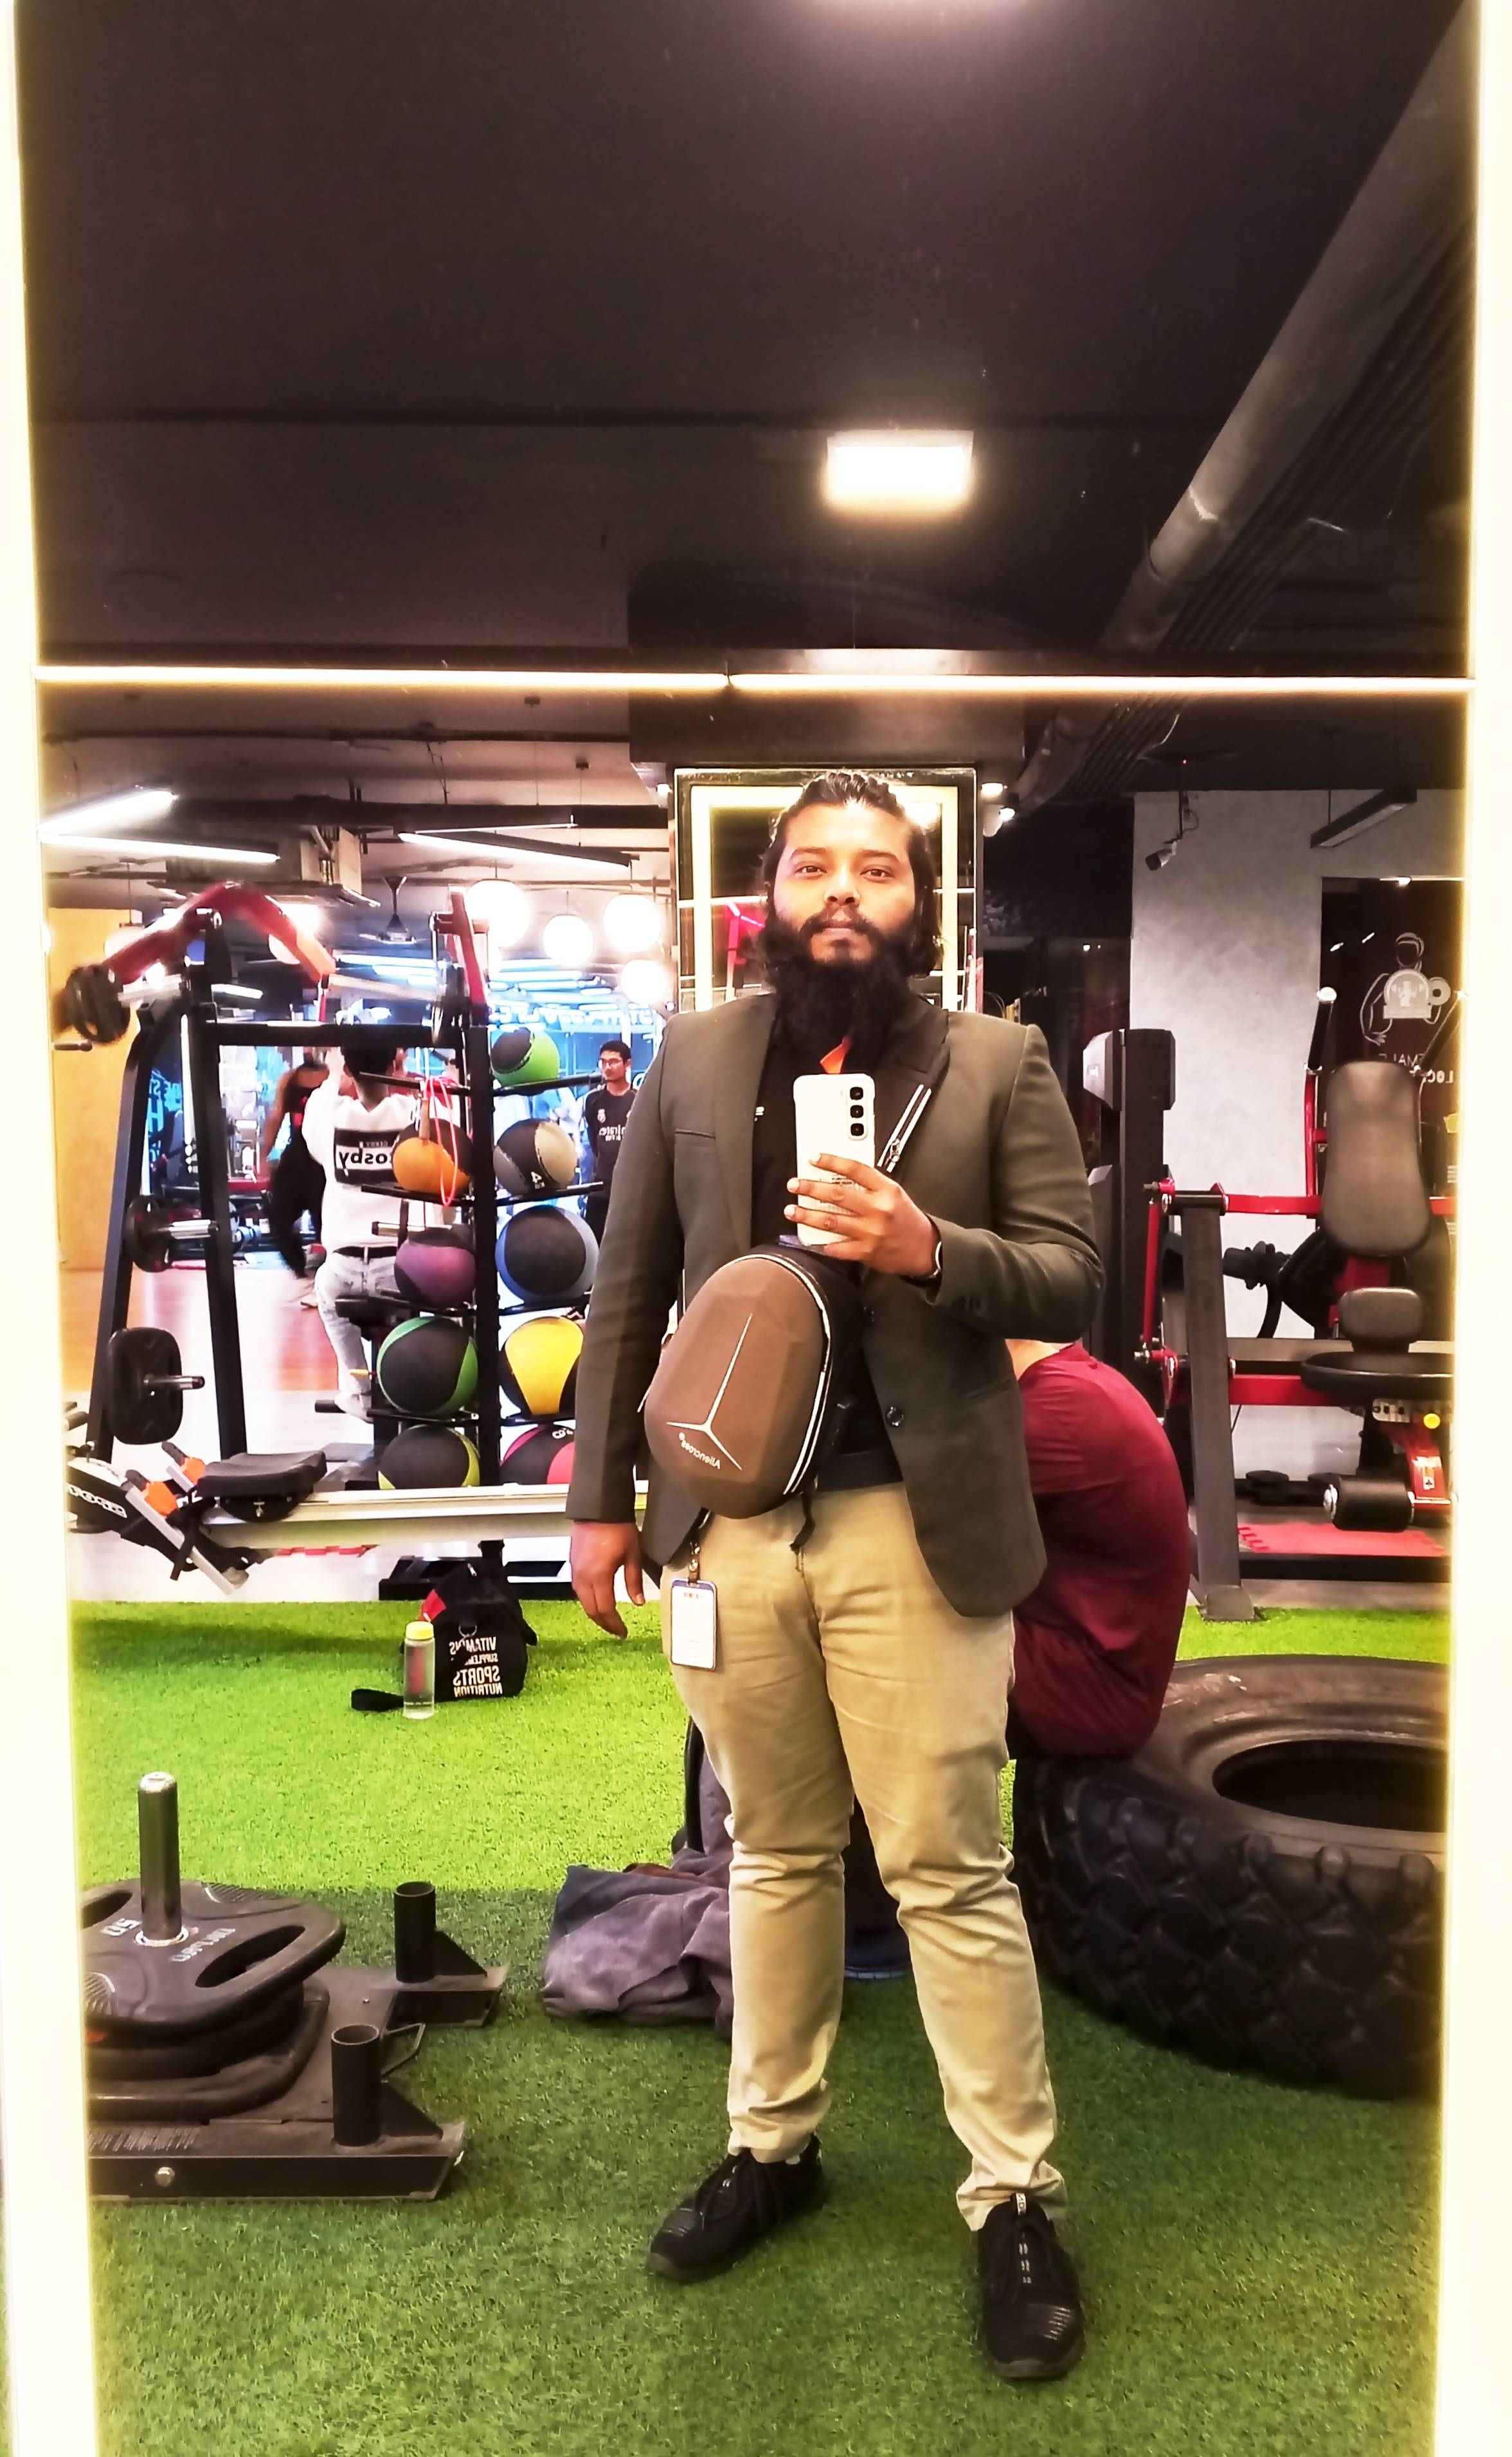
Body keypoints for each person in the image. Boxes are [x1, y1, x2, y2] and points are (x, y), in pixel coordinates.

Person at [568, 770, 1102, 2384]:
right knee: (774, 1849)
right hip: (731, 1527)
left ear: (920, 901)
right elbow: (629, 1289)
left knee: (948, 1866)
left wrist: (923, 1249)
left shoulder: (998, 1061)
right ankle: (773, 2145)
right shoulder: (698, 1054)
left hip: (912, 1525)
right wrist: (600, 1504)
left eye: (878, 868)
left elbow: (1076, 1279)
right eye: (816, 866)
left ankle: (1014, 2196)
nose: (845, 892)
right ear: (772, 892)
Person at [1006, 1339, 1191, 1758]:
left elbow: (923, 1529)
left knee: (887, 1639)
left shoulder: (1054, 1411)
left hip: (1088, 1695)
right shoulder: (1081, 1381)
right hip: (1103, 1669)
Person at [300, 1044, 416, 1418]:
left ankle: (358, 1389)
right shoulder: (412, 1115)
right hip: (399, 1270)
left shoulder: (329, 1118)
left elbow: (320, 1102)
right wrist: (402, 1075)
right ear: (393, 1065)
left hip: (343, 1270)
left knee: (325, 1293)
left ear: (350, 1070)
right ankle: (413, 1387)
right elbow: (451, 1119)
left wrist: (335, 1072)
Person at [257, 1049, 328, 1294]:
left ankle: (328, 1277)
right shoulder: (289, 1080)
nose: (308, 1049)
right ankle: (300, 1270)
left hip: (324, 1160)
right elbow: (276, 1116)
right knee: (278, 1216)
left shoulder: (335, 1079)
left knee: (327, 1224)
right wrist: (263, 1155)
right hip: (297, 1157)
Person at [580, 1038, 635, 1248]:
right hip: (601, 1187)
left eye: (613, 1062)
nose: (607, 1067)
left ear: (627, 1064)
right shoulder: (593, 1101)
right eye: (603, 1062)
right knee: (595, 1244)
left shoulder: (638, 1099)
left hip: (630, 1188)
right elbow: (595, 1140)